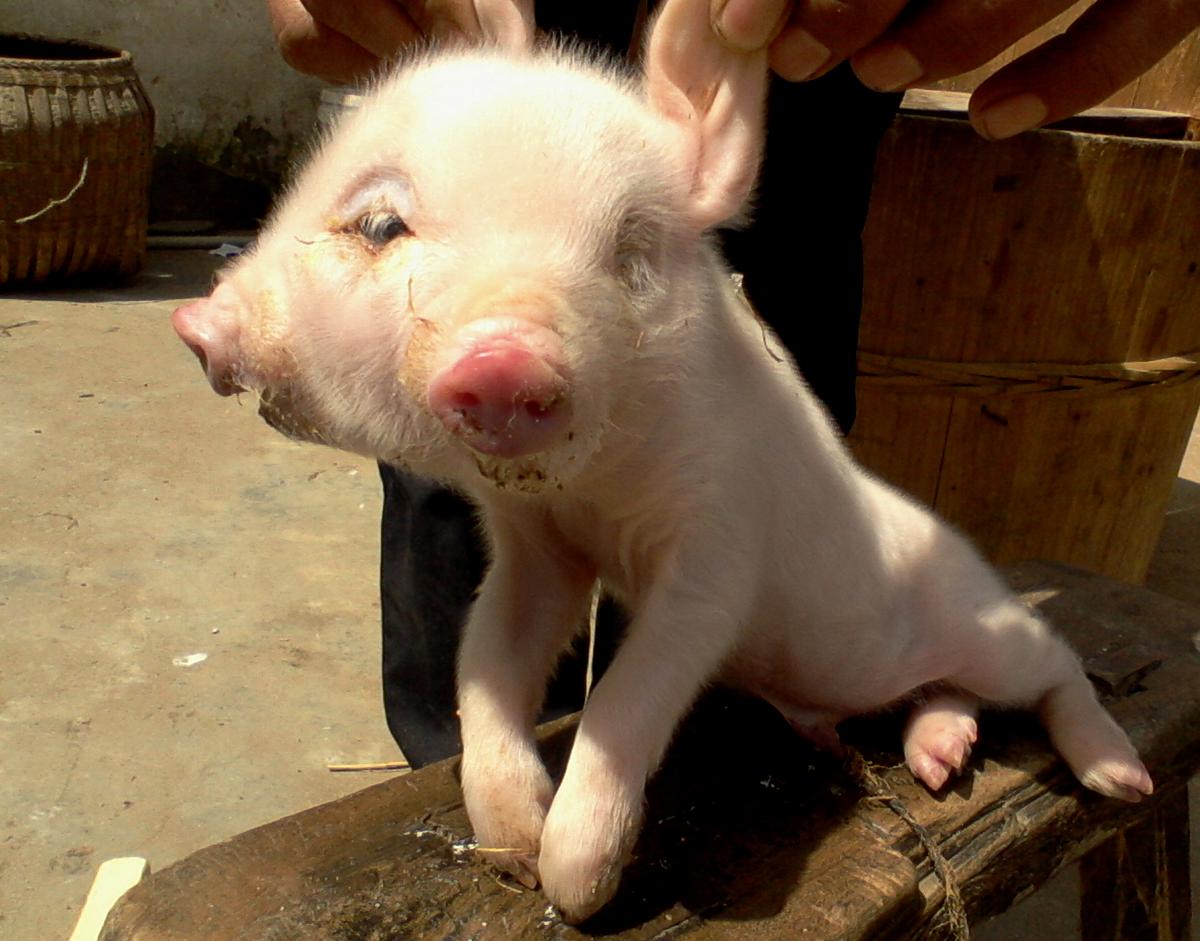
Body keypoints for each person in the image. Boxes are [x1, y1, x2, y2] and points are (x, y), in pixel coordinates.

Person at [264, 0, 1198, 766]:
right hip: (507, 31)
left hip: (807, 49)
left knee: (767, 379)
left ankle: (724, 774)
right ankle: (468, 785)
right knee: (462, 426)